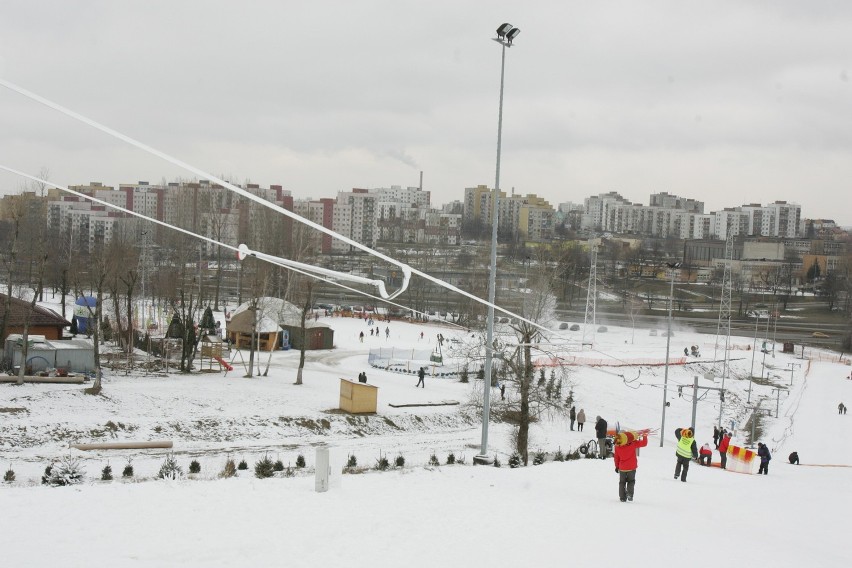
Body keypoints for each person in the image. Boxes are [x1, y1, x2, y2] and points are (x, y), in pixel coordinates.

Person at [613, 431, 648, 502]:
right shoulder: (633, 444)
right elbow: (644, 443)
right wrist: (644, 436)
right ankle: (630, 494)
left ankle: (622, 497)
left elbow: (616, 458)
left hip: (622, 468)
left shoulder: (617, 446)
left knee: (622, 482)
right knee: (631, 481)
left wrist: (616, 466)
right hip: (632, 467)